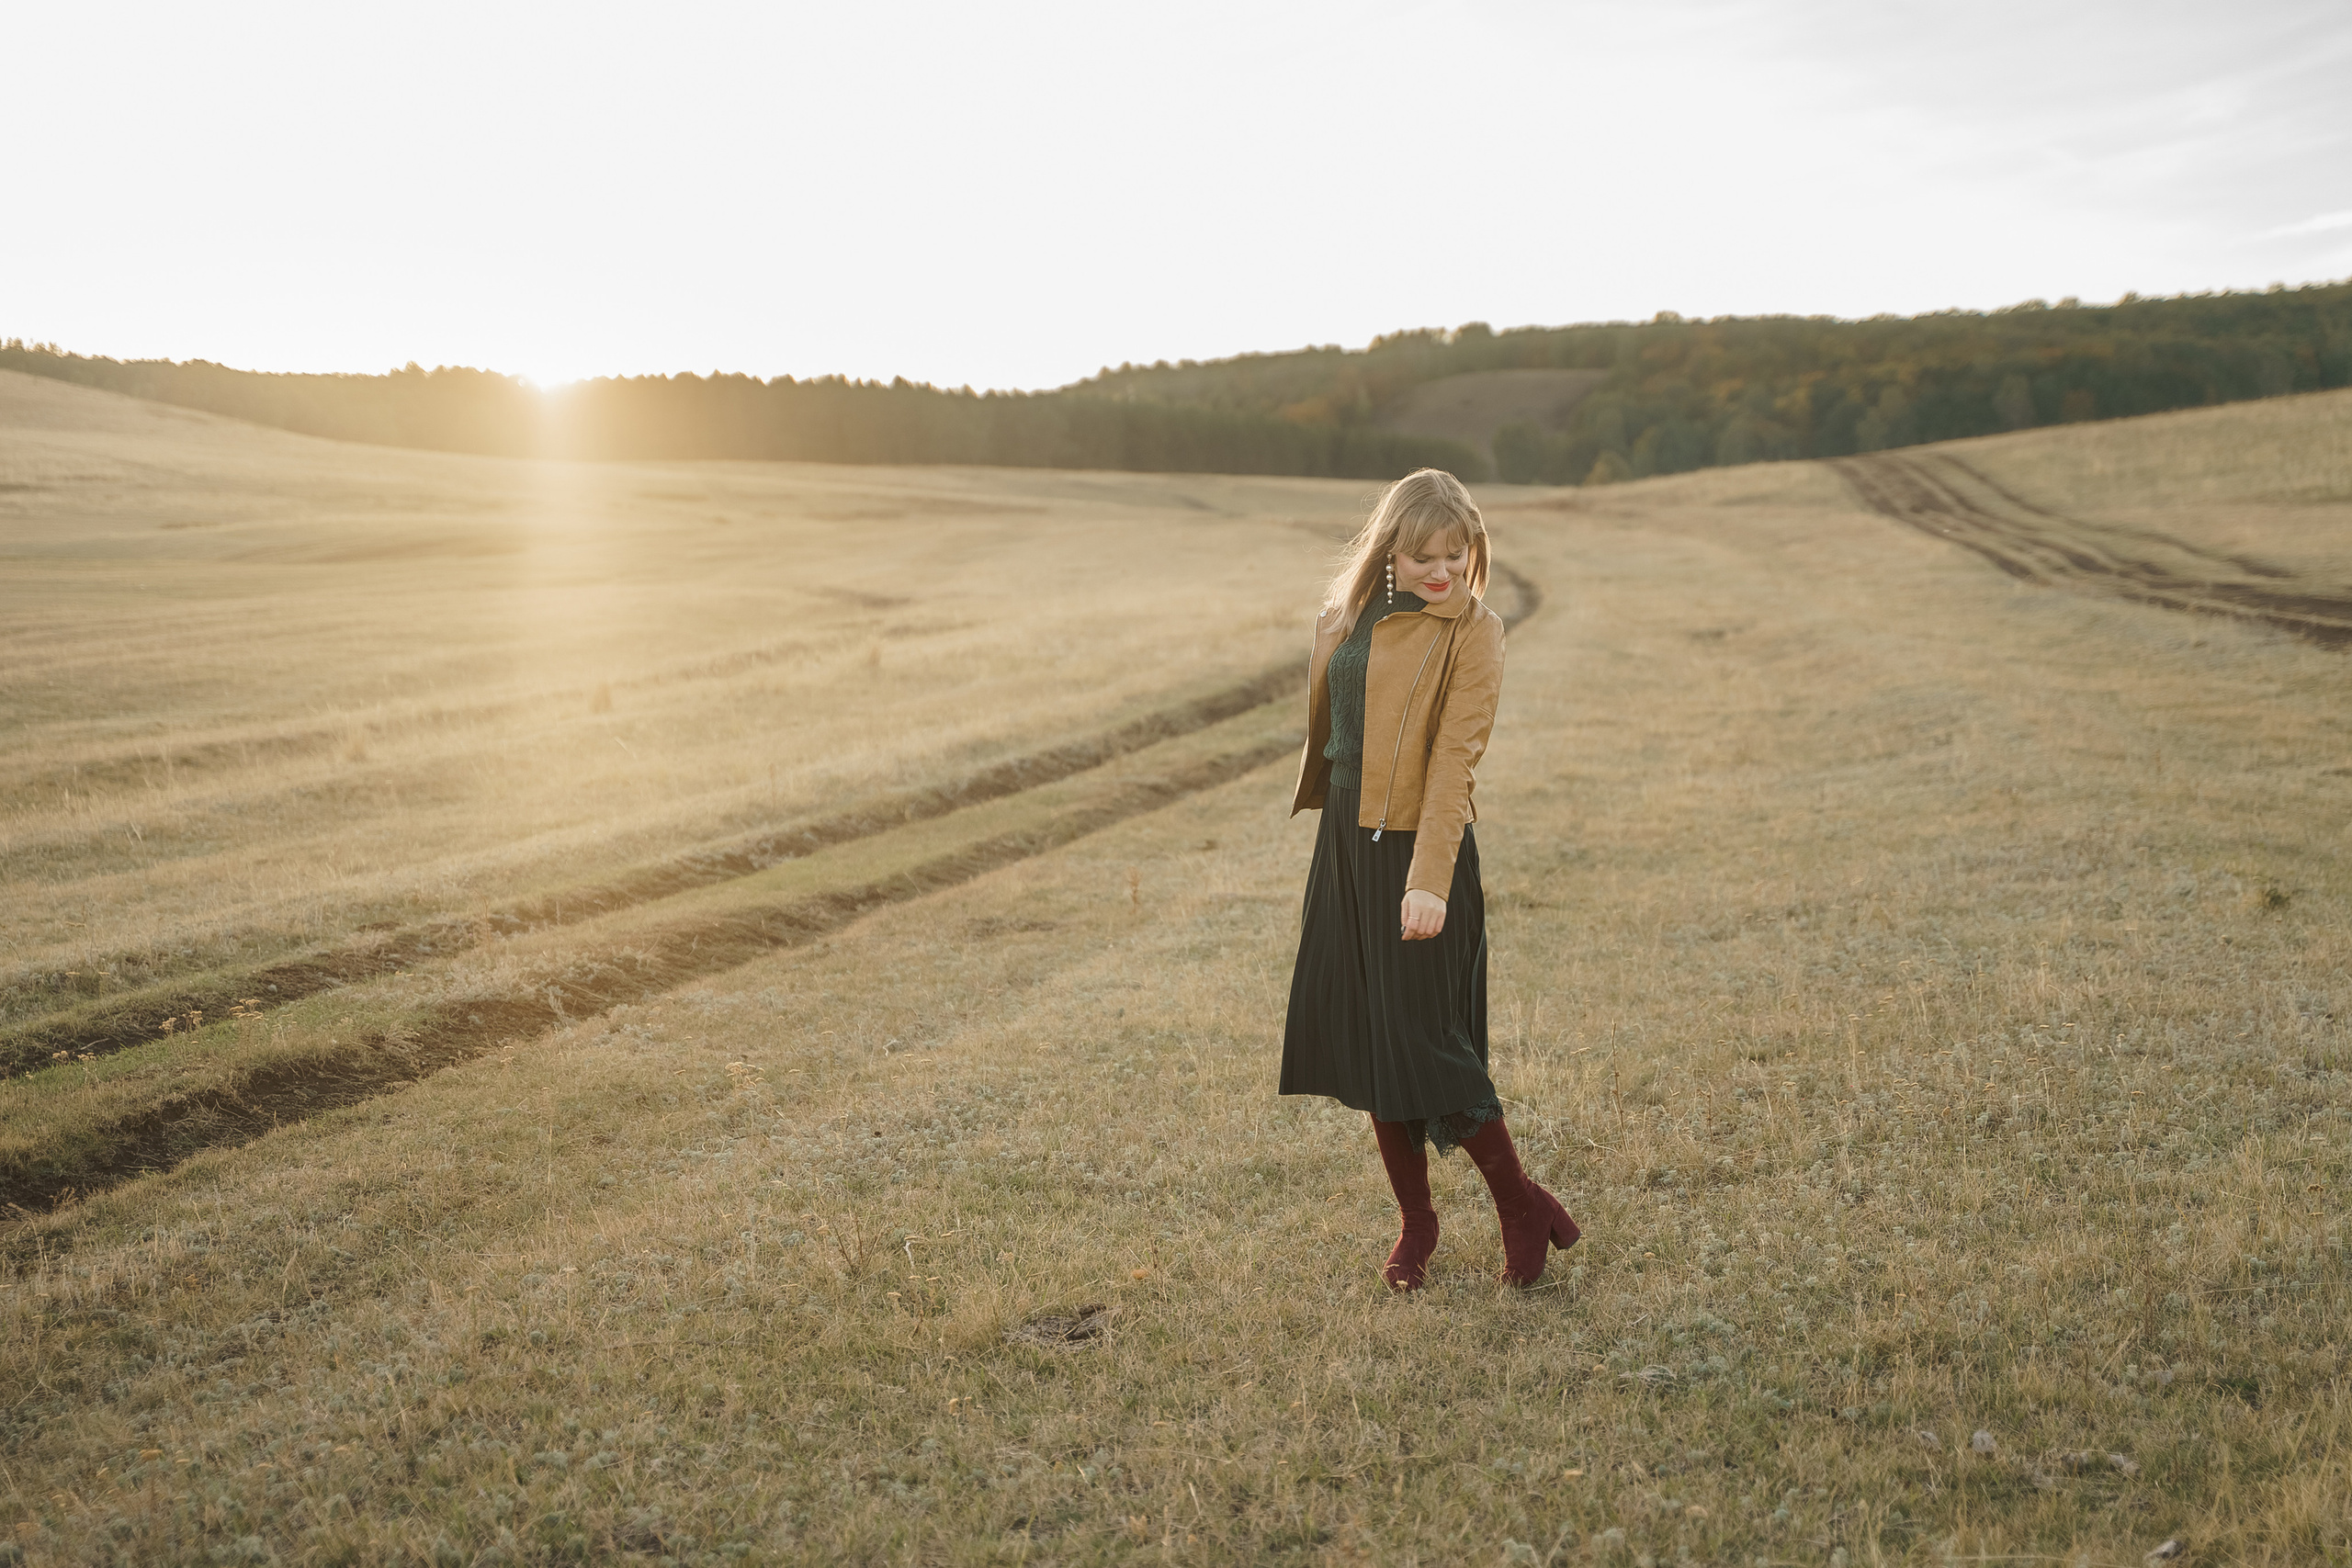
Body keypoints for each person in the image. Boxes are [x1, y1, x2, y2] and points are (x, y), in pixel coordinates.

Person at [1279, 468, 1579, 1290]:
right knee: (1377, 1040)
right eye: (1422, 556)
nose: (1441, 571)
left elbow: (1455, 764)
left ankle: (1520, 1203)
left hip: (1416, 849)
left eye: (1456, 553)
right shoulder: (1348, 615)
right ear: (1390, 550)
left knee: (1425, 1039)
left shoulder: (1474, 633)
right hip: (1347, 840)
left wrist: (1430, 880)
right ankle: (1418, 1221)